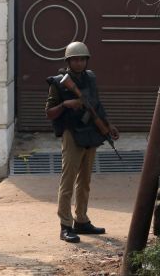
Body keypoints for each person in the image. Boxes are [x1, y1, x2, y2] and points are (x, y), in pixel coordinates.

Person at [45, 41, 119, 243]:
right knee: (67, 181)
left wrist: (108, 124)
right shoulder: (58, 83)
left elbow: (96, 104)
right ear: (68, 61)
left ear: (86, 61)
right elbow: (50, 113)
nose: (79, 63)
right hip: (72, 134)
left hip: (90, 132)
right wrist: (66, 104)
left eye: (82, 59)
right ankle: (65, 225)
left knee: (85, 180)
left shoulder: (91, 78)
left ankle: (82, 220)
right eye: (75, 60)